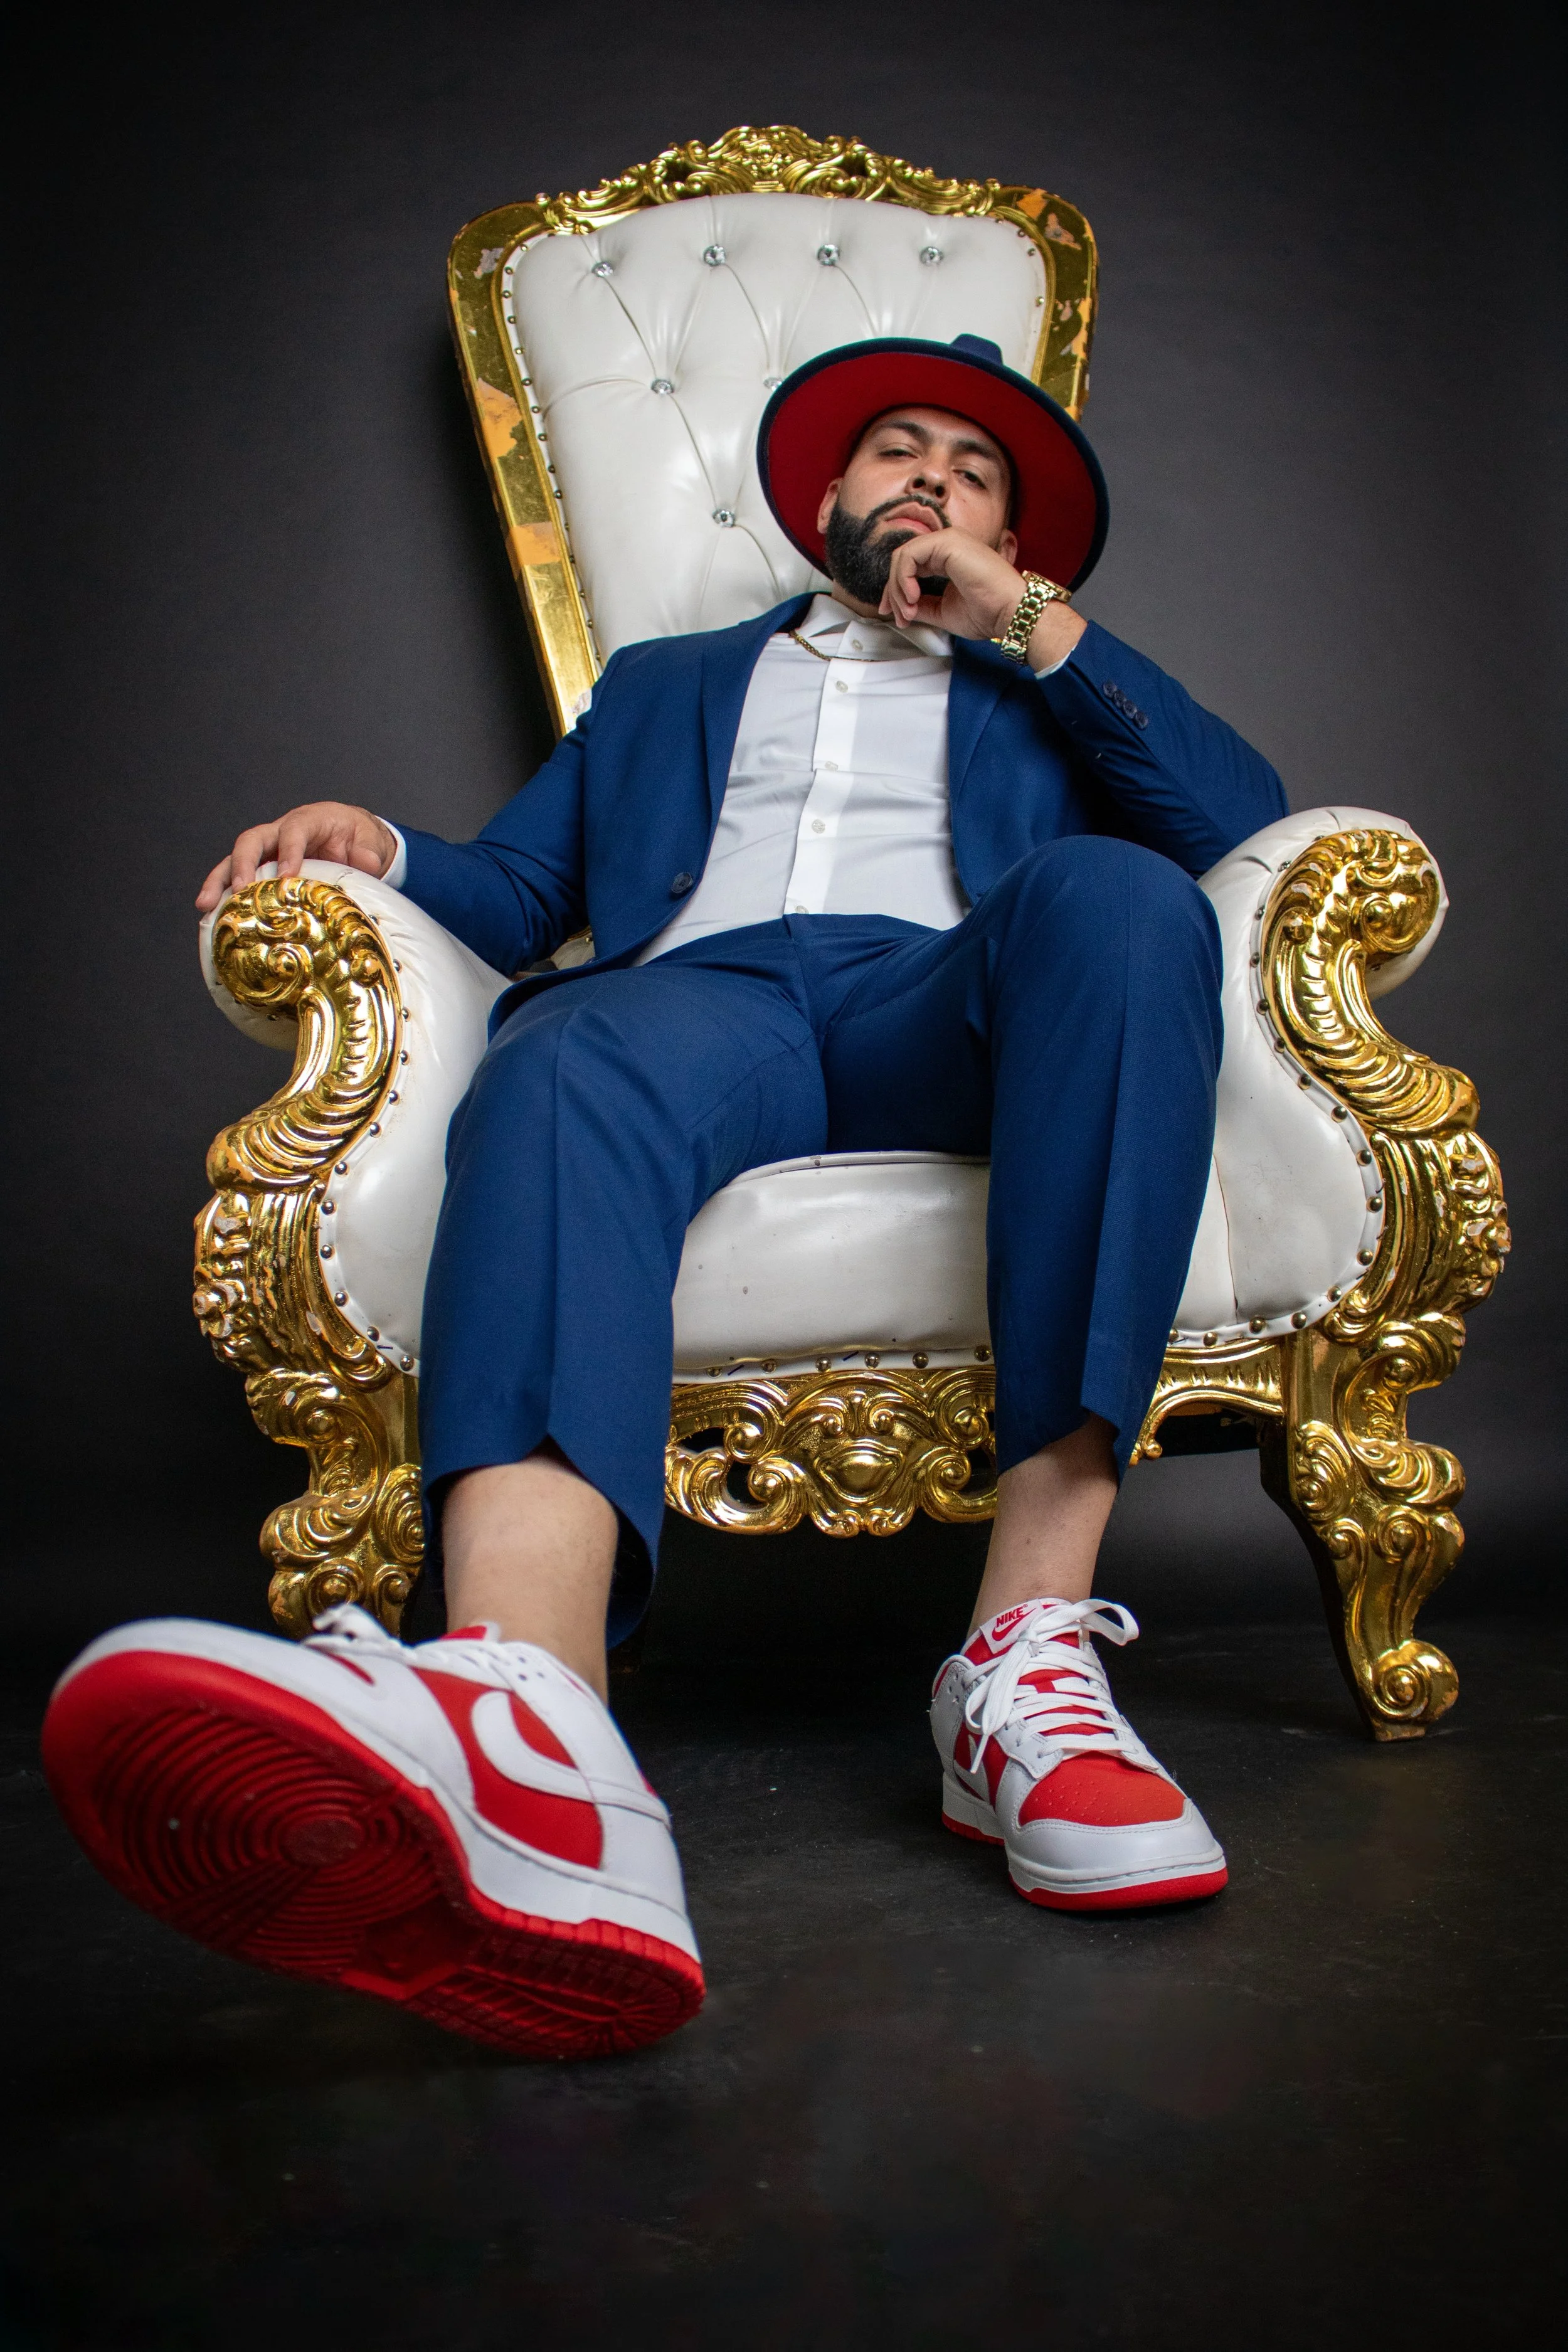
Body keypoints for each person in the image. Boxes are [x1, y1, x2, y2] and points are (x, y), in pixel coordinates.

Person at [43, 334, 1287, 2060]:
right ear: (828, 497)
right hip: (704, 1006)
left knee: (1127, 902)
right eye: (898, 452)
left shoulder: (1044, 675)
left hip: (947, 999)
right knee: (560, 1049)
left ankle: (1023, 1664)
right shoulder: (664, 682)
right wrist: (379, 849)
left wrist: (1018, 622)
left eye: (972, 473)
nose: (929, 480)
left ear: (1011, 538)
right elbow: (517, 890)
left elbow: (1237, 818)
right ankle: (535, 1735)